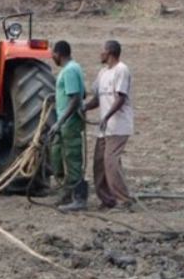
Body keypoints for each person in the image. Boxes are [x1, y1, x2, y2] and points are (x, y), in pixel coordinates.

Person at [84, 40, 134, 209]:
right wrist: (84, 108)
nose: (100, 54)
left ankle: (123, 200)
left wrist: (107, 116)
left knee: (110, 162)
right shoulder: (103, 72)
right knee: (99, 163)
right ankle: (107, 199)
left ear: (110, 53)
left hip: (118, 126)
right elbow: (97, 98)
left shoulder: (121, 70)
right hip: (105, 128)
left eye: (102, 51)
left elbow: (121, 98)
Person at [47, 41, 88, 212]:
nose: (52, 57)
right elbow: (81, 93)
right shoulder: (71, 68)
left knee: (72, 159)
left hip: (69, 122)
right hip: (65, 120)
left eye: (53, 54)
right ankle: (67, 193)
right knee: (57, 155)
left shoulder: (70, 70)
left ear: (58, 53)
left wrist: (60, 121)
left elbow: (76, 98)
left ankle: (79, 199)